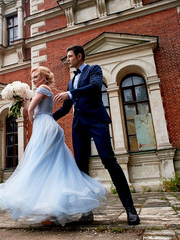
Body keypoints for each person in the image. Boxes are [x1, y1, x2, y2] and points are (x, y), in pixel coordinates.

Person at [0, 66, 107, 226]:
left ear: (43, 77)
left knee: (41, 162)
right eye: (32, 77)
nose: (33, 80)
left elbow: (32, 109)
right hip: (45, 124)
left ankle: (50, 211)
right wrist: (21, 101)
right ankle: (51, 211)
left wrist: (30, 118)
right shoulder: (42, 89)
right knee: (50, 165)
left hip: (45, 126)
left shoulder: (43, 88)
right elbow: (31, 106)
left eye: (36, 77)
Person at [53, 45, 140, 225]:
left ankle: (130, 209)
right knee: (81, 167)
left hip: (97, 121)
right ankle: (87, 212)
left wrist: (70, 93)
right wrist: (48, 118)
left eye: (69, 56)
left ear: (79, 56)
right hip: (79, 126)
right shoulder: (71, 81)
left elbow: (94, 87)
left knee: (108, 160)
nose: (67, 59)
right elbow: (66, 108)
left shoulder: (94, 70)